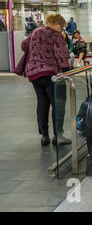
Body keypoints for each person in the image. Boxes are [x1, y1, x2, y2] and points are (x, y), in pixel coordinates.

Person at [21, 13, 71, 146]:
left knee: (42, 103)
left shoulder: (35, 31)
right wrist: (66, 71)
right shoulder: (56, 35)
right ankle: (58, 135)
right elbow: (61, 54)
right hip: (51, 74)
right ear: (55, 23)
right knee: (58, 104)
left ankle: (44, 136)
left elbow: (24, 45)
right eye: (61, 26)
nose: (61, 29)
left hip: (34, 73)